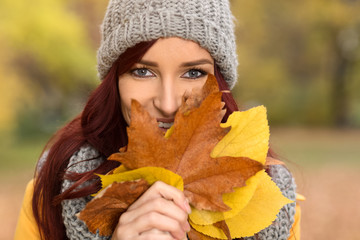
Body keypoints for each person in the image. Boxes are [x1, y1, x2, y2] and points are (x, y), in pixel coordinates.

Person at [15, 0, 299, 239]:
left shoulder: (272, 199)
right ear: (114, 81)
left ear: (220, 83)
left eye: (193, 73)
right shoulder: (53, 193)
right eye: (142, 72)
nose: (167, 103)